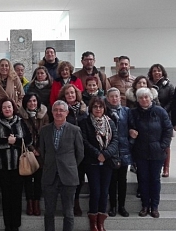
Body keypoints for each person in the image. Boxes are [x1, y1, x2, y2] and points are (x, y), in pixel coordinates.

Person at [39, 100, 84, 231]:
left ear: (67, 112)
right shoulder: (45, 130)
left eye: (61, 110)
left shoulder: (75, 130)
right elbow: (42, 152)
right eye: (56, 110)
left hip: (68, 176)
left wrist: (69, 165)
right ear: (52, 112)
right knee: (49, 212)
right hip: (49, 175)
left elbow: (80, 153)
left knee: (68, 212)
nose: (58, 112)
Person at [0, 98, 32, 231]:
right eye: (4, 107)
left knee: (17, 197)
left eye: (9, 107)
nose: (7, 109)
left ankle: (16, 225)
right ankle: (8, 225)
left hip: (18, 166)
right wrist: (7, 142)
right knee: (6, 197)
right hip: (2, 167)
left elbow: (29, 140)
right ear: (1, 110)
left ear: (13, 108)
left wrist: (17, 141)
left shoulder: (20, 122)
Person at [129, 87, 172, 218]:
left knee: (154, 179)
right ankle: (144, 205)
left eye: (146, 97)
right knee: (142, 179)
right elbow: (130, 127)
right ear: (137, 100)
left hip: (157, 152)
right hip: (140, 152)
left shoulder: (160, 111)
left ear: (151, 98)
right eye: (141, 97)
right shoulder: (134, 112)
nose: (144, 100)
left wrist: (162, 146)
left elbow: (168, 129)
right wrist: (131, 132)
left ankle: (154, 206)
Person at [79, 97, 119, 231]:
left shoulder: (110, 122)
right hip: (92, 162)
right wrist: (98, 154)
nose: (98, 109)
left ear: (104, 109)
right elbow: (84, 141)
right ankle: (93, 220)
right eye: (95, 107)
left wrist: (105, 154)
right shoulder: (84, 122)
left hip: (107, 162)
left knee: (104, 191)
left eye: (100, 107)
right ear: (91, 108)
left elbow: (115, 141)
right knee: (95, 191)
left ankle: (101, 221)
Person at [19, 92, 49, 216]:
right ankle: (29, 203)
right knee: (27, 179)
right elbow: (22, 134)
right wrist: (31, 148)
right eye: (30, 101)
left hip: (41, 151)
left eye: (34, 101)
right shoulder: (21, 116)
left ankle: (36, 203)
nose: (32, 103)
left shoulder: (44, 115)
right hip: (27, 151)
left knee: (38, 179)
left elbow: (47, 132)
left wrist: (40, 150)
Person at [105, 87, 131, 218]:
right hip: (110, 151)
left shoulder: (126, 111)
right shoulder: (105, 112)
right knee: (112, 180)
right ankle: (113, 206)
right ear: (107, 98)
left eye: (116, 96)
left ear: (120, 98)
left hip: (124, 150)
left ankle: (122, 206)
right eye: (111, 97)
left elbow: (132, 127)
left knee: (122, 180)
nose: (114, 99)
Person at [148, 64, 175, 177]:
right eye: (154, 71)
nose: (157, 73)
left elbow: (173, 101)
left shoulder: (168, 86)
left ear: (163, 72)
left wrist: (162, 111)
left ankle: (166, 168)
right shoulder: (148, 85)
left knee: (165, 144)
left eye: (159, 71)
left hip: (164, 117)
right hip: (150, 117)